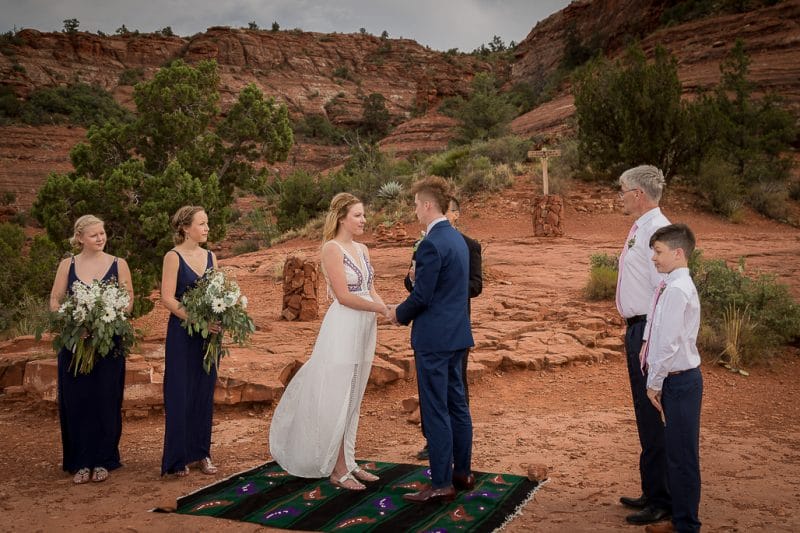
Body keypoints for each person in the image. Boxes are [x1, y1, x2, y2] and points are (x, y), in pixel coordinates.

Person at [269, 193, 388, 491]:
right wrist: (380, 309)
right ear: (342, 218)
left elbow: (370, 288)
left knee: (355, 394)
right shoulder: (331, 249)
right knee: (339, 394)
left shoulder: (362, 248)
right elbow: (345, 296)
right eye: (358, 215)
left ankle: (349, 460)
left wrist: (388, 309)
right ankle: (337, 470)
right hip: (344, 325)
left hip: (365, 325)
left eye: (363, 215)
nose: (363, 220)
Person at [389, 176, 474, 504]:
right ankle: (462, 472)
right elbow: (445, 289)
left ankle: (440, 482)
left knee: (436, 408)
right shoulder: (456, 240)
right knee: (457, 404)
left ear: (427, 205)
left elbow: (423, 297)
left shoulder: (430, 243)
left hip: (434, 340)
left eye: (414, 205)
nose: (414, 211)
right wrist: (415, 284)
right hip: (457, 334)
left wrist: (397, 313)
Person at [50, 214, 133, 484]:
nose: (101, 238)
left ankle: (104, 460)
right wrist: (74, 323)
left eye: (103, 233)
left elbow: (128, 299)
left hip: (108, 344)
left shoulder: (118, 264)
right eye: (94, 234)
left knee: (106, 400)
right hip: (75, 345)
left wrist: (108, 318)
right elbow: (55, 300)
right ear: (80, 238)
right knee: (77, 401)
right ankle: (80, 461)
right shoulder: (67, 265)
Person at [615, 165, 673, 525]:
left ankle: (662, 500)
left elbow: (662, 290)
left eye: (622, 190)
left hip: (648, 331)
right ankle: (652, 491)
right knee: (644, 413)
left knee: (653, 415)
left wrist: (650, 339)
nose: (619, 197)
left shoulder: (656, 230)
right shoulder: (643, 226)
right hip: (638, 330)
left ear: (638, 193)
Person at [405, 196, 482, 461]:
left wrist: (446, 287)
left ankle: (452, 454)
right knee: (434, 394)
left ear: (456, 215)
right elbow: (415, 285)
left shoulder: (469, 246)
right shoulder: (424, 244)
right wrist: (412, 279)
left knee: (455, 390)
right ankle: (435, 443)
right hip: (436, 326)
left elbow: (476, 286)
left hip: (451, 327)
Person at [643, 224, 703, 533]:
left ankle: (687, 526)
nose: (653, 257)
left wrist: (654, 383)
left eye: (658, 251)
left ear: (678, 253)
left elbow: (668, 343)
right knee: (676, 454)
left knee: (682, 457)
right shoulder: (672, 284)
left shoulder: (678, 289)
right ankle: (680, 519)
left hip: (678, 381)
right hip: (675, 379)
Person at [160, 206, 220, 477]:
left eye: (207, 223)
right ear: (186, 228)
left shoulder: (211, 257)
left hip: (209, 337)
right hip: (182, 334)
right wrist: (197, 321)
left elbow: (218, 292)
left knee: (203, 392)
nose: (207, 228)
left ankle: (202, 453)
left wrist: (221, 315)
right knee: (180, 393)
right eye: (202, 223)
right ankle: (178, 457)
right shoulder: (173, 257)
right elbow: (168, 298)